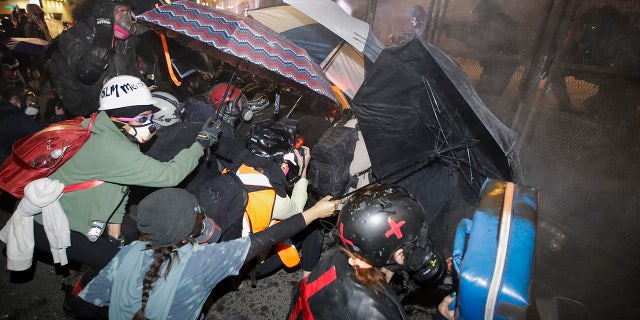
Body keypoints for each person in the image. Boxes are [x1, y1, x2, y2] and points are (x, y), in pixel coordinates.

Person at [2, 75, 222, 280]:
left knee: (128, 233)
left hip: (81, 208)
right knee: (118, 265)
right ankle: (82, 301)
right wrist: (200, 144)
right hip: (50, 222)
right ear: (120, 117)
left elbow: (120, 185)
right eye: (143, 117)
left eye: (149, 115)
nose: (150, 123)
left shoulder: (105, 127)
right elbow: (169, 175)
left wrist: (115, 233)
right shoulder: (112, 149)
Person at [76, 187, 340, 319]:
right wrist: (314, 213)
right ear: (190, 227)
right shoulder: (203, 261)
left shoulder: (130, 251)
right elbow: (265, 239)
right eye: (198, 213)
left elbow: (88, 301)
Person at [287, 184, 447, 320]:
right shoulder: (378, 313)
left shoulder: (345, 256)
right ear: (398, 255)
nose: (423, 245)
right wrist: (441, 316)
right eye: (418, 239)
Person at [48, 0, 142, 116]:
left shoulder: (125, 39)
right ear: (102, 12)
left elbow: (131, 71)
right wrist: (104, 32)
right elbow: (88, 73)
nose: (126, 17)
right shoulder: (73, 36)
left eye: (128, 12)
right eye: (121, 11)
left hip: (124, 106)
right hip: (92, 115)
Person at [443, 0, 521, 96]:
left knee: (484, 95)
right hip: (497, 65)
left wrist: (452, 30)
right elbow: (474, 29)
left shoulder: (498, 24)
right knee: (481, 93)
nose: (478, 17)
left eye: (479, 13)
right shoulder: (496, 21)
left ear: (487, 11)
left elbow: (477, 35)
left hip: (501, 67)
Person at [0, 86, 45, 164]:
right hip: (12, 161)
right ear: (16, 101)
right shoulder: (17, 117)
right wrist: (59, 116)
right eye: (27, 100)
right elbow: (42, 133)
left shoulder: (5, 112)